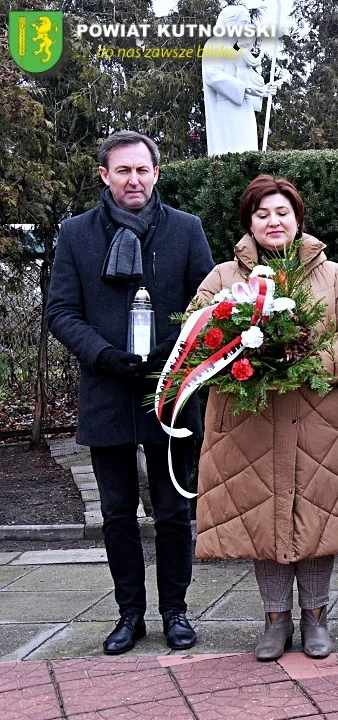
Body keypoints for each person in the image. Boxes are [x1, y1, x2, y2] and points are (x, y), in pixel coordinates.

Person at [192, 175, 338, 660]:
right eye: (262, 214)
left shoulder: (332, 274)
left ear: (298, 219)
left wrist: (315, 367)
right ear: (249, 223)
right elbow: (197, 330)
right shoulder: (224, 278)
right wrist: (237, 358)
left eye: (282, 213)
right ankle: (275, 618)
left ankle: (316, 615)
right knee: (263, 518)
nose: (273, 222)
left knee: (317, 517)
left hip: (321, 419)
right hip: (250, 424)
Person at [46, 130, 215, 654]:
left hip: (170, 394)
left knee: (172, 512)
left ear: (156, 173)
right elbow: (61, 312)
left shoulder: (186, 231)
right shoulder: (75, 235)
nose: (133, 180)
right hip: (106, 391)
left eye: (142, 170)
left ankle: (176, 612)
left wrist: (173, 350)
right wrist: (102, 354)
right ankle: (129, 614)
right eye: (123, 171)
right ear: (105, 175)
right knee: (117, 513)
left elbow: (209, 306)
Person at [201, 5, 279, 156]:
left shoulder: (236, 52)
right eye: (243, 22)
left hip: (243, 107)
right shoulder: (215, 44)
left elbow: (249, 81)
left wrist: (263, 89)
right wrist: (246, 89)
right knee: (232, 151)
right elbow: (212, 76)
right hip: (227, 109)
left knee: (247, 150)